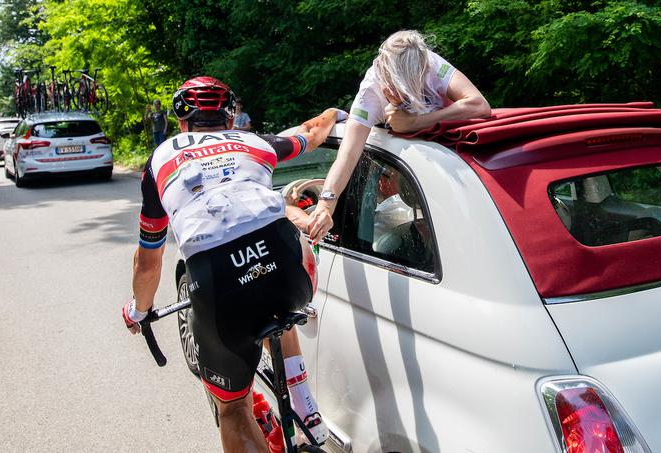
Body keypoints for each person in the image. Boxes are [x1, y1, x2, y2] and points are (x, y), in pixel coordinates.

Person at [122, 76, 344, 452]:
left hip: (219, 279)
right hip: (292, 270)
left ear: (181, 122)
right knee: (279, 285)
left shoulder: (160, 160)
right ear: (230, 118)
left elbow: (148, 263)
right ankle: (302, 397)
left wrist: (138, 311)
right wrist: (338, 113)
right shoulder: (253, 142)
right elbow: (312, 131)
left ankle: (257, 406)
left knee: (234, 408)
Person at [308, 30, 492, 243]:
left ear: (422, 71)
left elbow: (479, 105)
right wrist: (325, 206)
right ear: (382, 70)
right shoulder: (369, 93)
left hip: (452, 164)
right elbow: (348, 155)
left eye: (405, 90)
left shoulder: (430, 64)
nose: (395, 94)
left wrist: (415, 122)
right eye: (391, 85)